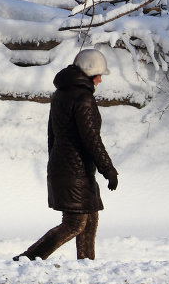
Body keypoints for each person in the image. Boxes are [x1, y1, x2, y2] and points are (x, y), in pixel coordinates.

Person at [14, 48, 119, 261]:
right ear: (90, 73)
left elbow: (52, 134)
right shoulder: (83, 98)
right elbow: (92, 139)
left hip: (66, 166)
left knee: (89, 220)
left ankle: (87, 265)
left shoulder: (61, 94)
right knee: (75, 223)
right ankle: (27, 259)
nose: (100, 80)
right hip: (75, 170)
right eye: (99, 75)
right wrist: (108, 169)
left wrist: (55, 161)